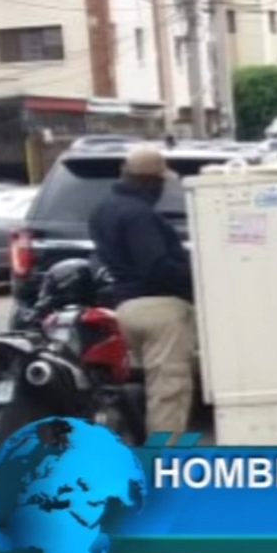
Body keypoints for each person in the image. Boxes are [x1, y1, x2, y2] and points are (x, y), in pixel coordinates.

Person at [88, 144, 197, 436]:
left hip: (125, 308)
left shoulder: (102, 209)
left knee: (153, 384)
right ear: (150, 181)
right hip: (159, 310)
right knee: (169, 390)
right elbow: (156, 265)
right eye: (160, 182)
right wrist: (196, 283)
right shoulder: (139, 215)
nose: (161, 188)